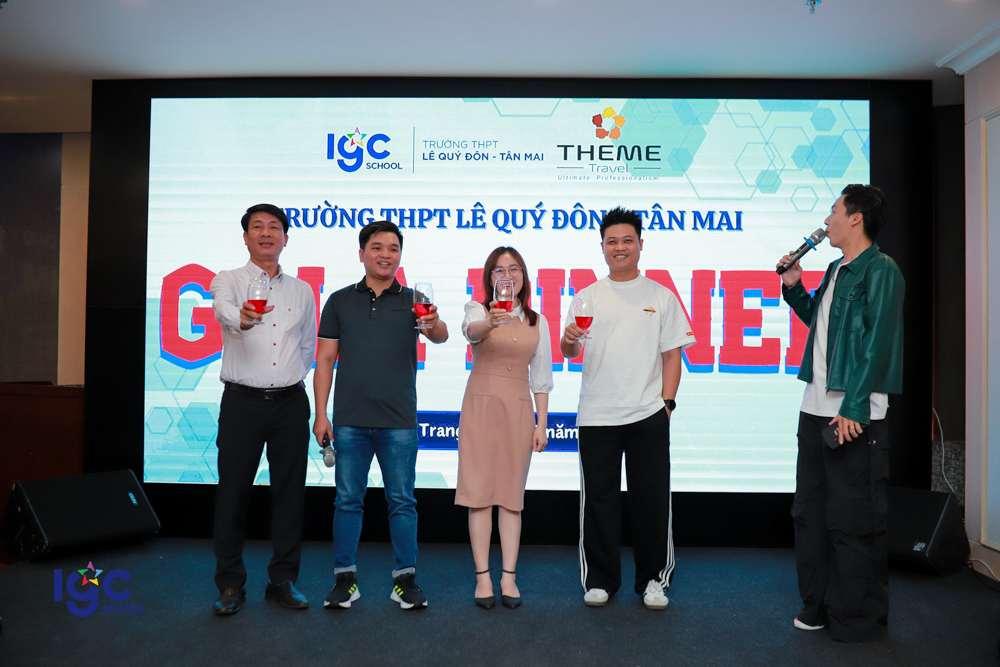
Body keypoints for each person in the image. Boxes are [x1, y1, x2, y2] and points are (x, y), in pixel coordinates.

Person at [779, 184, 904, 642]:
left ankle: (857, 619)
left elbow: (878, 341)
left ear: (856, 218)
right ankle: (817, 606)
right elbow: (821, 323)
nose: (826, 221)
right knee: (810, 514)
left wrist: (854, 406)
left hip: (854, 414)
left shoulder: (881, 269)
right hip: (815, 409)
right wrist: (794, 288)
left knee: (853, 520)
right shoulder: (836, 269)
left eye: (833, 211)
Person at [561, 207, 695, 610]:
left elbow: (672, 356)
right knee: (598, 502)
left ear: (640, 244)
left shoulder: (660, 295)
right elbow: (570, 350)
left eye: (627, 240)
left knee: (651, 502)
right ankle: (599, 580)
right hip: (597, 415)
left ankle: (654, 580)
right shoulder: (587, 296)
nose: (619, 247)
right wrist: (569, 338)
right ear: (602, 247)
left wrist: (666, 405)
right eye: (612, 241)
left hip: (648, 414)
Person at [313, 220, 448, 610]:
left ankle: (405, 580)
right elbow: (325, 360)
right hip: (349, 421)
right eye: (377, 247)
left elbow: (439, 335)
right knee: (347, 501)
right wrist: (320, 414)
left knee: (402, 502)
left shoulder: (414, 298)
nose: (385, 254)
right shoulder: (339, 300)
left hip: (399, 421)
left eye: (393, 248)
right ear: (362, 254)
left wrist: (433, 323)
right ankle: (345, 580)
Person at [209, 203, 317, 616]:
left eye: (275, 227)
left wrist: (289, 377)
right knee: (232, 495)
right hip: (242, 403)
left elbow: (307, 346)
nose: (266, 233)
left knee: (289, 495)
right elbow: (223, 311)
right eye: (258, 227)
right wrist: (242, 318)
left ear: (286, 238)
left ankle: (283, 580)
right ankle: (230, 584)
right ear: (246, 237)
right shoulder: (229, 280)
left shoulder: (302, 290)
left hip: (290, 403)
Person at [456, 247, 552, 610]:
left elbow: (541, 377)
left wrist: (542, 424)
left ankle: (508, 577)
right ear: (489, 277)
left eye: (514, 269)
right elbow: (471, 332)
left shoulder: (537, 321)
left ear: (524, 277)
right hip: (481, 407)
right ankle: (482, 578)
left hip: (518, 409)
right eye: (499, 270)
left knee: (512, 499)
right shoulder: (478, 310)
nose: (507, 275)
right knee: (479, 495)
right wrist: (492, 320)